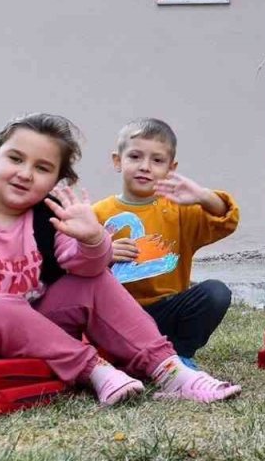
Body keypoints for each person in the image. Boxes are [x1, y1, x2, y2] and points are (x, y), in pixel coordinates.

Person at [0, 113, 240, 405]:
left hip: (32, 320)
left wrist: (93, 238)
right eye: (15, 159)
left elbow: (86, 267)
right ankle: (92, 368)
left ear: (57, 179)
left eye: (42, 168)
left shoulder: (50, 215)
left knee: (94, 280)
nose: (25, 174)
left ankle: (171, 371)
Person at [93, 117, 239, 371]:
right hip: (119, 317)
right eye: (135, 157)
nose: (145, 167)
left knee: (216, 293)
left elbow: (224, 220)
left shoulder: (179, 210)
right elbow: (77, 263)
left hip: (166, 312)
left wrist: (204, 197)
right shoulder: (97, 214)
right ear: (118, 161)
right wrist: (102, 253)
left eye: (157, 160)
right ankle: (125, 358)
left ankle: (178, 356)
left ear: (171, 168)